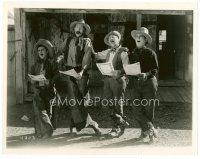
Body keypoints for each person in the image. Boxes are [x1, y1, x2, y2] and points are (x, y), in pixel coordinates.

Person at [55, 19, 102, 136]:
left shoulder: (87, 41)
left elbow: (87, 57)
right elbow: (60, 52)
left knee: (81, 100)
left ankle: (88, 124)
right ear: (74, 29)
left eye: (81, 28)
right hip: (69, 71)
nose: (79, 29)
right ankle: (78, 126)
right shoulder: (68, 40)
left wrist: (82, 71)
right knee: (73, 100)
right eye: (77, 27)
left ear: (84, 30)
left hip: (82, 73)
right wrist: (59, 58)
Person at [92, 31, 129, 138]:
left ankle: (116, 128)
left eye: (114, 37)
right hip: (107, 80)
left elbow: (127, 68)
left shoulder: (123, 52)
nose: (111, 38)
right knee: (104, 103)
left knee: (118, 104)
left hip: (118, 80)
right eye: (109, 38)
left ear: (119, 39)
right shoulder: (107, 51)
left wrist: (119, 72)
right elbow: (95, 55)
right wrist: (89, 46)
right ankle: (120, 120)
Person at [129, 27, 159, 143]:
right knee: (136, 108)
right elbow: (129, 67)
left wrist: (146, 74)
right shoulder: (132, 53)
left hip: (149, 83)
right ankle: (150, 129)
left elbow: (155, 69)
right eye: (136, 36)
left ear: (145, 40)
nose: (137, 38)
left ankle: (146, 134)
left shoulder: (150, 52)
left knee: (148, 109)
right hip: (136, 83)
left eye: (140, 36)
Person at [30, 39, 57, 139]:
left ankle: (47, 132)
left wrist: (49, 81)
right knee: (38, 111)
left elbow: (57, 75)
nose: (40, 52)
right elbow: (31, 75)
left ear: (46, 52)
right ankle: (39, 132)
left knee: (48, 112)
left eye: (42, 50)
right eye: (39, 50)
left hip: (49, 91)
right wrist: (32, 80)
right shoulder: (35, 64)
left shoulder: (51, 63)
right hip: (38, 91)